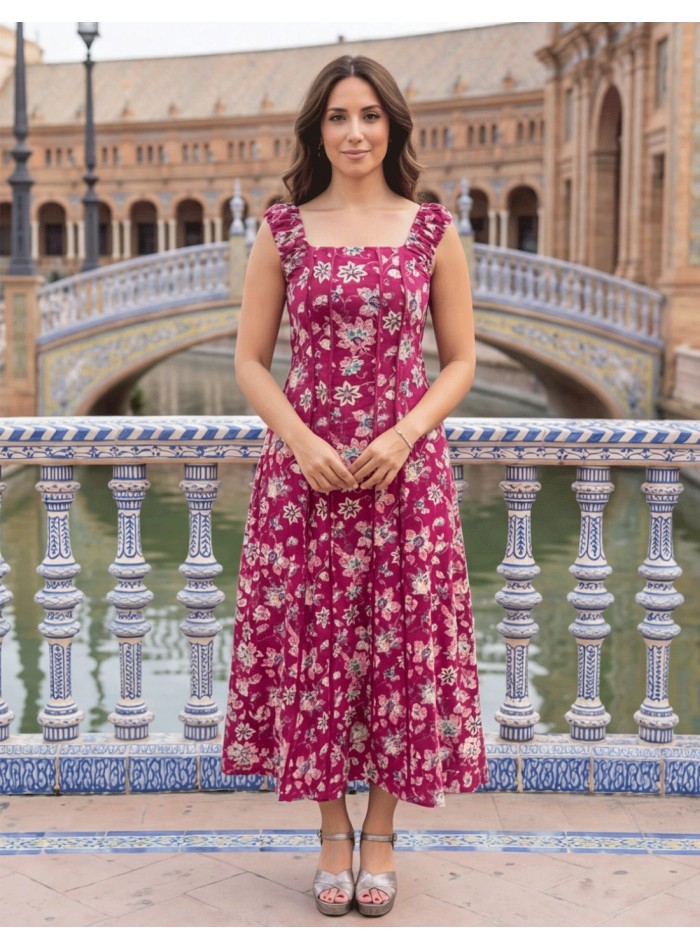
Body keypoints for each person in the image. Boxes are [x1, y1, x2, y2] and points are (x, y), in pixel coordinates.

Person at [222, 54, 488, 918]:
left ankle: (383, 833)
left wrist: (407, 432)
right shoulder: (284, 231)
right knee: (316, 648)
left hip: (404, 481)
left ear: (393, 127)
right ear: (317, 131)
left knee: (401, 653)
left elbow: (461, 361)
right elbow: (250, 362)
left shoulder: (431, 230)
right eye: (338, 117)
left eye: (370, 116)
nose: (355, 133)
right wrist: (299, 442)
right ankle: (330, 828)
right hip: (307, 481)